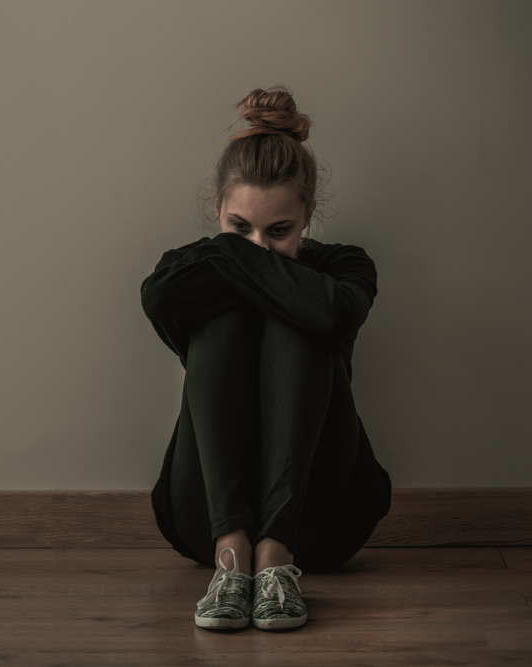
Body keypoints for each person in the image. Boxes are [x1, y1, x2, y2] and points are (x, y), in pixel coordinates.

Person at [140, 86, 392, 631]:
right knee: (233, 312)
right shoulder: (188, 271)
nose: (258, 246)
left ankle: (277, 555)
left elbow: (333, 314)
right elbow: (156, 297)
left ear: (309, 212)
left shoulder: (346, 265)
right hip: (202, 517)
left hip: (324, 519)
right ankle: (233, 555)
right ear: (217, 209)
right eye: (239, 228)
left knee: (300, 311)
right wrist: (251, 259)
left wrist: (233, 256)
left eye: (279, 231)